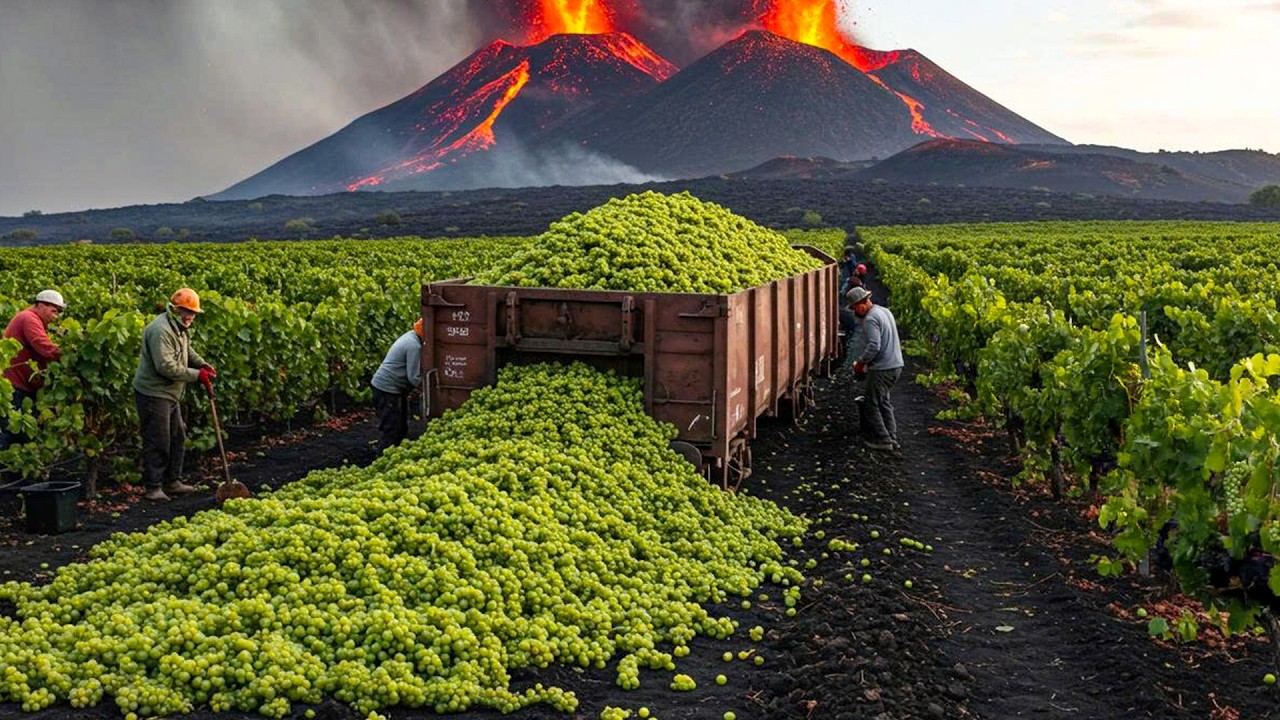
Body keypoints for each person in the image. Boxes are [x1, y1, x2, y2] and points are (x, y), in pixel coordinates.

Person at [133, 288, 216, 501]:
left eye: (193, 313)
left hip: (170, 393)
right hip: (154, 392)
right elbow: (166, 367)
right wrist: (198, 376)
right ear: (175, 309)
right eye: (186, 311)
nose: (190, 316)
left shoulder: (179, 327)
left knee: (178, 436)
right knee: (158, 439)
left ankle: (173, 482)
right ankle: (153, 487)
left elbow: (187, 352)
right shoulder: (161, 330)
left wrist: (203, 365)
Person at [1, 290, 65, 451]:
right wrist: (70, 354)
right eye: (54, 310)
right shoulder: (29, 318)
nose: (56, 316)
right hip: (15, 385)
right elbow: (45, 347)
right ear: (41, 305)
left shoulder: (34, 320)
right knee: (9, 431)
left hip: (21, 385)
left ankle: (11, 473)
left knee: (18, 432)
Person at [847, 286, 903, 451]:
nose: (855, 311)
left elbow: (874, 346)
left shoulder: (871, 318)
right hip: (896, 365)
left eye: (855, 307)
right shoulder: (885, 311)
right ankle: (891, 437)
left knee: (871, 403)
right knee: (884, 401)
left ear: (863, 303)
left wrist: (861, 363)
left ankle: (882, 440)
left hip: (882, 368)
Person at [371, 318, 425, 450]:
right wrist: (428, 389)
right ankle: (383, 459)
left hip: (392, 388)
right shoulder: (414, 346)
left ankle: (395, 453)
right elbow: (413, 377)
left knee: (400, 426)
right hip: (386, 388)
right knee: (391, 427)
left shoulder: (410, 336)